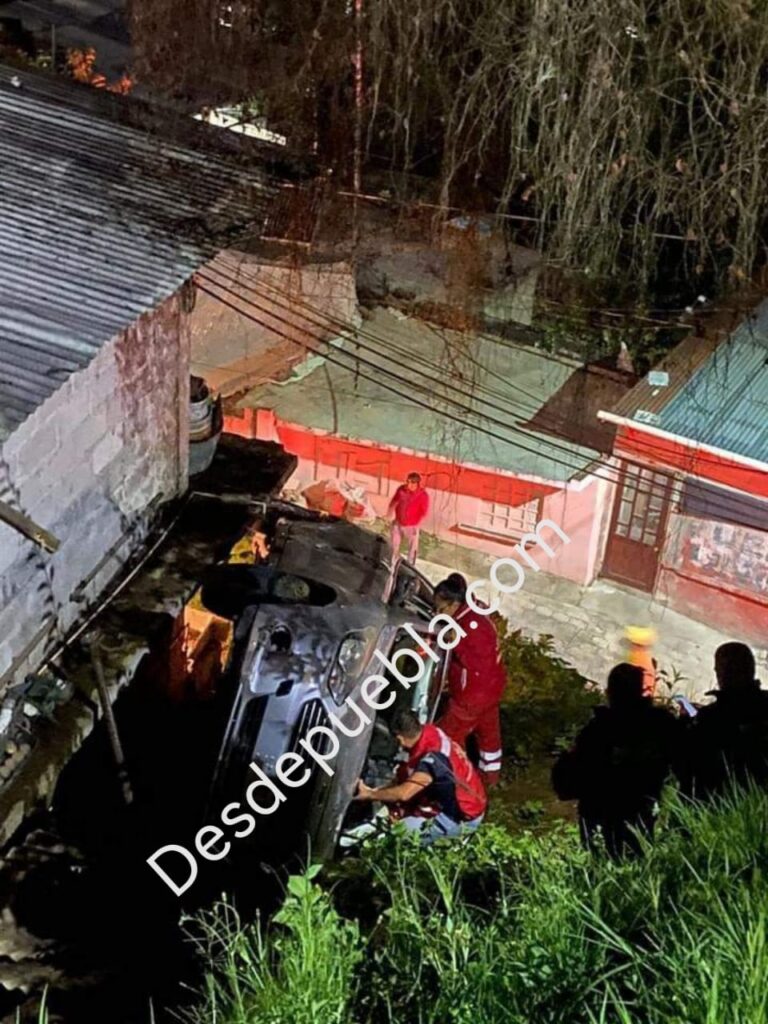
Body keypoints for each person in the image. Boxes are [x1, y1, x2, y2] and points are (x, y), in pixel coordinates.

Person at [551, 663, 679, 858]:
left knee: (600, 862)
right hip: (641, 811)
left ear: (610, 692)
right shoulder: (660, 724)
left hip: (600, 814)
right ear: (641, 691)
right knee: (637, 859)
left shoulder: (598, 731)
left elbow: (569, 778)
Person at [355, 709, 487, 844]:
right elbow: (406, 776)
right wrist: (381, 793)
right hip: (473, 799)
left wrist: (370, 794)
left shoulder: (432, 759)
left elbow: (404, 794)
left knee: (396, 833)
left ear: (399, 738)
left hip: (461, 817)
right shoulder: (431, 733)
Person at [433, 576, 507, 785]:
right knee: (489, 737)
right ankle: (489, 779)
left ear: (454, 604)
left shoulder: (471, 626)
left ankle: (461, 783)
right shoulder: (475, 612)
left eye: (441, 610)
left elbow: (478, 664)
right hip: (491, 690)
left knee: (447, 739)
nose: (438, 614)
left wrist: (452, 641)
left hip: (472, 696)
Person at [680, 642, 768, 801]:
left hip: (718, 804)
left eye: (720, 669)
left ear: (722, 673)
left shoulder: (711, 719)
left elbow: (686, 765)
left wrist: (685, 723)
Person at [388, 472, 429, 563]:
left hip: (411, 525)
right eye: (407, 482)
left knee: (412, 549)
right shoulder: (401, 490)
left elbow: (424, 511)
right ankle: (391, 563)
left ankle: (410, 565)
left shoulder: (423, 495)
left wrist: (415, 521)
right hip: (398, 522)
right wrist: (390, 512)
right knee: (393, 546)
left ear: (416, 484)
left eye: (411, 483)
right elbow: (394, 501)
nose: (408, 484)